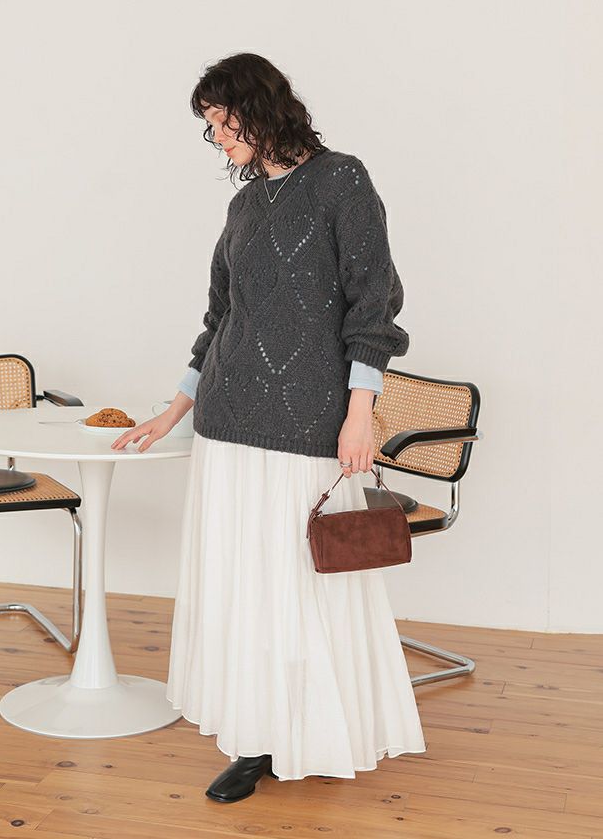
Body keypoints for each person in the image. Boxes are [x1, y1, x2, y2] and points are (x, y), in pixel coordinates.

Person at [112, 52, 426, 803]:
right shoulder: (245, 206)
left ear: (260, 107)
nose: (219, 141)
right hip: (227, 423)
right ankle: (255, 738)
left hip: (311, 422)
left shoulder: (342, 180)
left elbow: (373, 305)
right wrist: (174, 408)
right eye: (211, 130)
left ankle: (315, 730)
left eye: (224, 124)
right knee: (245, 586)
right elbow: (221, 318)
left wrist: (360, 412)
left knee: (302, 583)